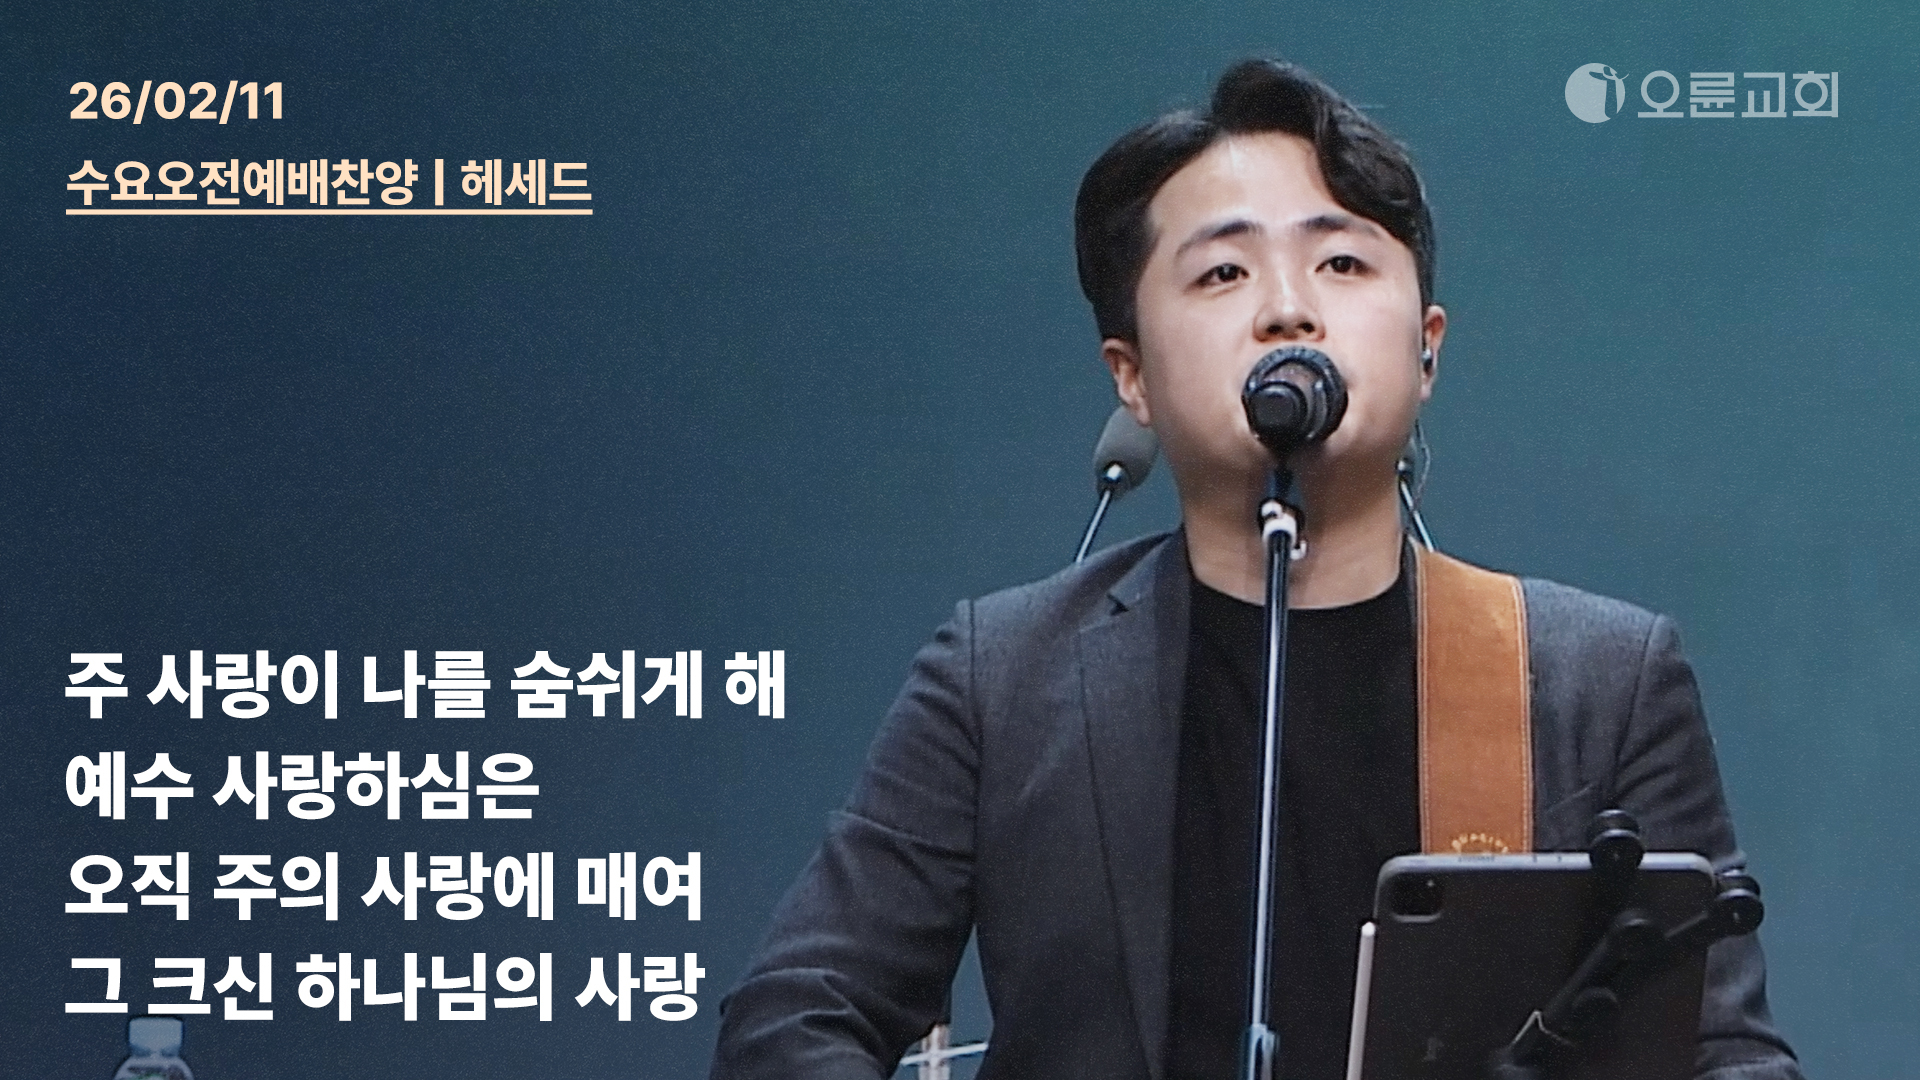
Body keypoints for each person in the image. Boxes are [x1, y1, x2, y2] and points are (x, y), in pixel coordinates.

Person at [708, 59, 1802, 1080]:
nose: (1288, 307)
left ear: (1427, 345)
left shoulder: (1599, 680)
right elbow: (794, 1014)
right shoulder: (1002, 676)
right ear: (1131, 376)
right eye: (1224, 271)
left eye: (1342, 262)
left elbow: (1729, 1057)